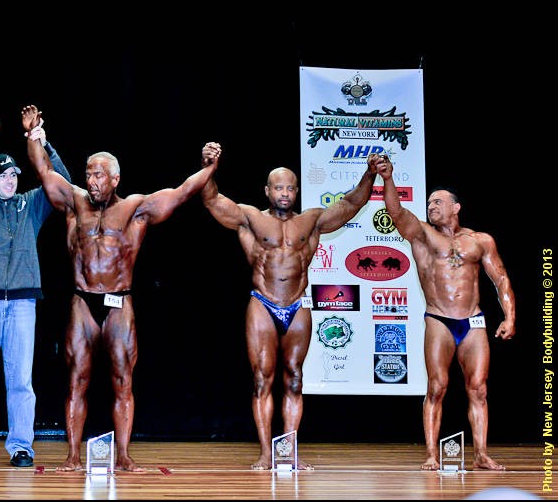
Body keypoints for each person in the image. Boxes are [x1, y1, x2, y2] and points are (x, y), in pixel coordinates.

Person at [28, 135, 222, 472]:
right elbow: (43, 170)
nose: (92, 181)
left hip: (119, 302)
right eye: (88, 174)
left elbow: (181, 193)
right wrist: (33, 136)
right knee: (76, 380)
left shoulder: (135, 208)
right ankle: (72, 457)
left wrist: (209, 167)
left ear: (115, 178)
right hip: (82, 301)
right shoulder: (74, 202)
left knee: (123, 381)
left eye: (99, 175)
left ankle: (124, 456)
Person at [201, 152, 384, 470]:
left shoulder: (311, 220)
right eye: (278, 188)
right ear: (267, 190)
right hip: (262, 303)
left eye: (290, 188)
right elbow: (212, 199)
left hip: (298, 304)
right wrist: (209, 168)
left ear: (296, 191)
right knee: (262, 379)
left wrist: (370, 174)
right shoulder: (251, 218)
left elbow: (352, 204)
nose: (284, 193)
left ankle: (288, 452)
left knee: (295, 379)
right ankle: (265, 453)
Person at [378, 157, 515, 471]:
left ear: (456, 207)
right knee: (437, 387)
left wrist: (510, 316)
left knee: (479, 389)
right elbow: (396, 212)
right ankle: (431, 454)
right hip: (439, 319)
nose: (431, 206)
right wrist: (387, 179)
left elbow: (501, 279)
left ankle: (481, 454)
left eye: (438, 202)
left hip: (473, 320)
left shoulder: (481, 241)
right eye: (429, 203)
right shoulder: (422, 234)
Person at [0, 105, 72, 468]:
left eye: (14, 175)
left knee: (21, 379)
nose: (10, 180)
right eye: (3, 175)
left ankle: (21, 446)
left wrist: (42, 141)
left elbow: (63, 185)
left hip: (23, 302)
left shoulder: (31, 204)